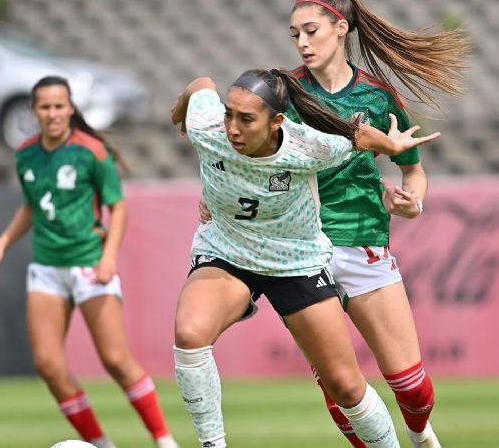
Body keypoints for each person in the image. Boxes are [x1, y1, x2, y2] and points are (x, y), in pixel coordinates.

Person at [170, 67, 439, 448]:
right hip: (227, 255)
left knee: (346, 387)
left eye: (246, 119)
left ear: (277, 121)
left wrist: (394, 148)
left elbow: (357, 135)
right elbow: (200, 85)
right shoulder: (208, 129)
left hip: (296, 264)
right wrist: (182, 106)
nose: (232, 128)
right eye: (230, 114)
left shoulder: (308, 146)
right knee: (189, 333)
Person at [285, 0, 468, 448]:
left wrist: (413, 200)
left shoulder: (376, 95)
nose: (303, 43)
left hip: (364, 240)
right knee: (340, 386)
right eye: (295, 35)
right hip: (304, 253)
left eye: (311, 31)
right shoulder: (285, 93)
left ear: (340, 29)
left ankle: (419, 433)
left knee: (412, 387)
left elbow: (414, 169)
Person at [0, 76, 179, 448]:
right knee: (48, 366)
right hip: (46, 269)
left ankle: (163, 440)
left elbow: (117, 209)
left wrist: (108, 258)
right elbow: (32, 206)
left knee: (116, 361)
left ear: (70, 108)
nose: (52, 113)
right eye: (45, 107)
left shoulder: (91, 151)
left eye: (59, 106)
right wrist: (2, 244)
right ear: (34, 111)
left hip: (89, 263)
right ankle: (101, 445)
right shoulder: (25, 154)